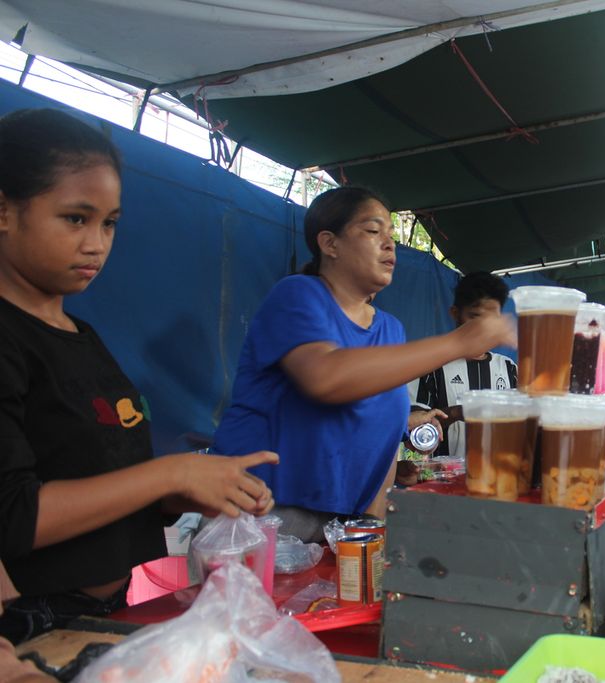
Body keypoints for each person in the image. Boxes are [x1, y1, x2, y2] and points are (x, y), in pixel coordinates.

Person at [0, 109, 276, 645]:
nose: (96, 244)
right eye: (75, 218)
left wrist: (196, 491)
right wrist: (168, 475)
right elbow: (12, 517)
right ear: (4, 211)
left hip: (103, 612)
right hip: (28, 627)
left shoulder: (81, 334)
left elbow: (99, 478)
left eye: (109, 223)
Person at [214, 187, 514, 542]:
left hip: (347, 521)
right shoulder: (297, 295)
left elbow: (382, 431)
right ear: (330, 244)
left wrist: (372, 522)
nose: (389, 244)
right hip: (265, 512)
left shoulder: (389, 328)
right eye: (373, 231)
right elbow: (325, 377)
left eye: (391, 235)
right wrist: (459, 342)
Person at [408, 272, 518, 458]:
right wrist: (457, 412)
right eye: (475, 317)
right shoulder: (431, 365)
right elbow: (414, 428)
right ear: (455, 314)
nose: (483, 328)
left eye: (492, 320)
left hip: (498, 476)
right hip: (442, 479)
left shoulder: (509, 368)